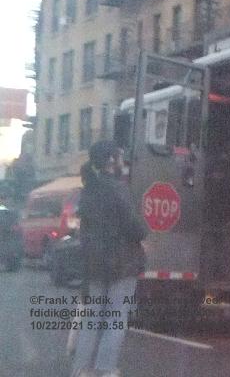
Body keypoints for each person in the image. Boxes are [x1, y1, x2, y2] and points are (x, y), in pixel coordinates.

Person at [71, 141, 147, 377]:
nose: (122, 160)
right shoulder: (118, 189)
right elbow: (135, 226)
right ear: (111, 161)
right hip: (121, 264)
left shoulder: (88, 190)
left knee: (92, 319)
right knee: (116, 318)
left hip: (95, 264)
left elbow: (85, 231)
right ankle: (105, 368)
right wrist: (144, 235)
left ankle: (81, 369)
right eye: (119, 156)